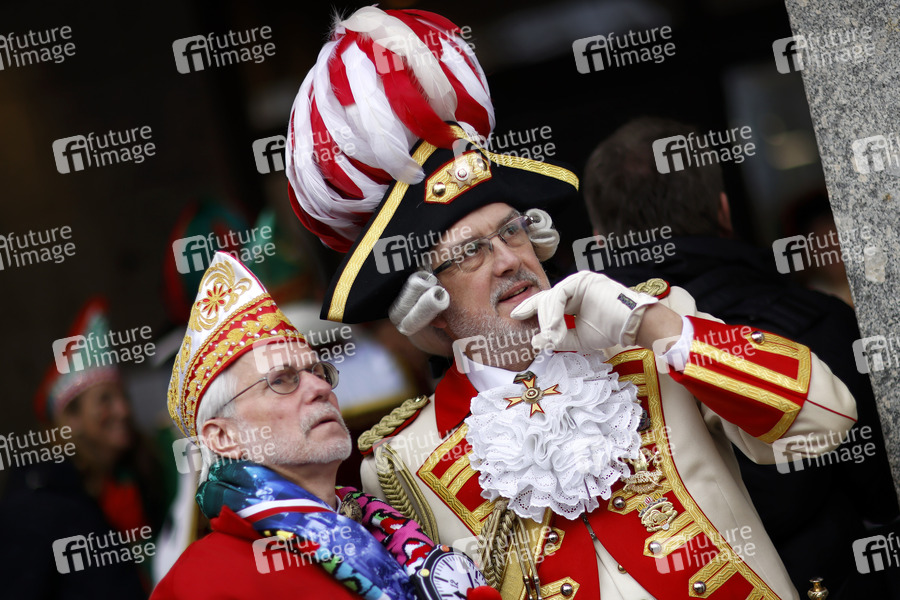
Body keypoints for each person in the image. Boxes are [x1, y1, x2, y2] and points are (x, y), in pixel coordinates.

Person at [284, 7, 858, 599]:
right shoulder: (402, 461)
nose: (508, 259)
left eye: (513, 232)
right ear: (427, 304)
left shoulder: (654, 335)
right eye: (471, 252)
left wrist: (651, 323)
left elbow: (826, 420)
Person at [580, 116, 900, 598]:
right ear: (724, 210)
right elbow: (882, 494)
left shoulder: (579, 368)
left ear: (600, 240)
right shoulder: (818, 320)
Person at [152, 251, 498, 600]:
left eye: (317, 371)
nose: (320, 387)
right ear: (223, 436)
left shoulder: (382, 524)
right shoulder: (201, 582)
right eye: (282, 380)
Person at [0, 298, 165, 599]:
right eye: (105, 400)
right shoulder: (35, 508)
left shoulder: (132, 491)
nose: (124, 410)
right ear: (69, 419)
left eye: (123, 397)